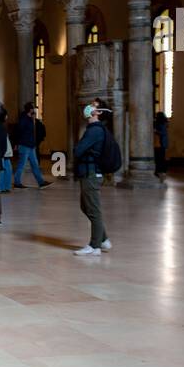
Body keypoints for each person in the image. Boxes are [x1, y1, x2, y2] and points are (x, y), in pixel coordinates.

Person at [73, 104, 112, 255]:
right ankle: (103, 239)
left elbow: (78, 150)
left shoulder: (95, 130)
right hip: (89, 173)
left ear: (99, 112)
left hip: (91, 174)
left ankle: (94, 246)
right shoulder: (95, 129)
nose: (89, 107)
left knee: (94, 210)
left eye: (93, 105)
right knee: (86, 206)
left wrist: (80, 148)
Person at [13, 101, 50, 188]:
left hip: (31, 146)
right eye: (33, 108)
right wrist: (16, 143)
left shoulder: (31, 119)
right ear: (30, 109)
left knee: (35, 165)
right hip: (24, 145)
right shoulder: (23, 119)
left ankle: (41, 182)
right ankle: (17, 182)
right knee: (21, 165)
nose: (35, 109)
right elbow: (18, 132)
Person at [154, 111, 169, 180]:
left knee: (160, 158)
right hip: (161, 144)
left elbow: (162, 133)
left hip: (160, 144)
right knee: (161, 158)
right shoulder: (164, 123)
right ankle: (161, 171)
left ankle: (160, 171)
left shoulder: (162, 124)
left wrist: (155, 131)